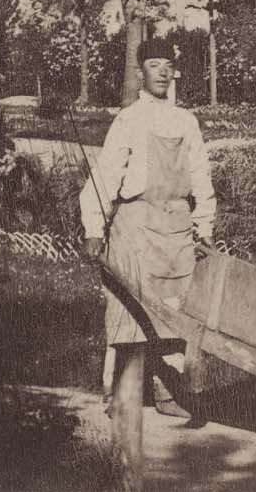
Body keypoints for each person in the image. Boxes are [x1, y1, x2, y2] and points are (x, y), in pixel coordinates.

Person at [79, 38, 215, 416]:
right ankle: (121, 393)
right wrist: (94, 227)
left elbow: (201, 177)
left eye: (167, 65)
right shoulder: (129, 120)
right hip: (136, 227)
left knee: (176, 312)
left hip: (175, 228)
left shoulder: (185, 122)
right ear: (141, 72)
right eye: (155, 65)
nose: (163, 71)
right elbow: (106, 177)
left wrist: (204, 225)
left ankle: (170, 394)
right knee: (130, 312)